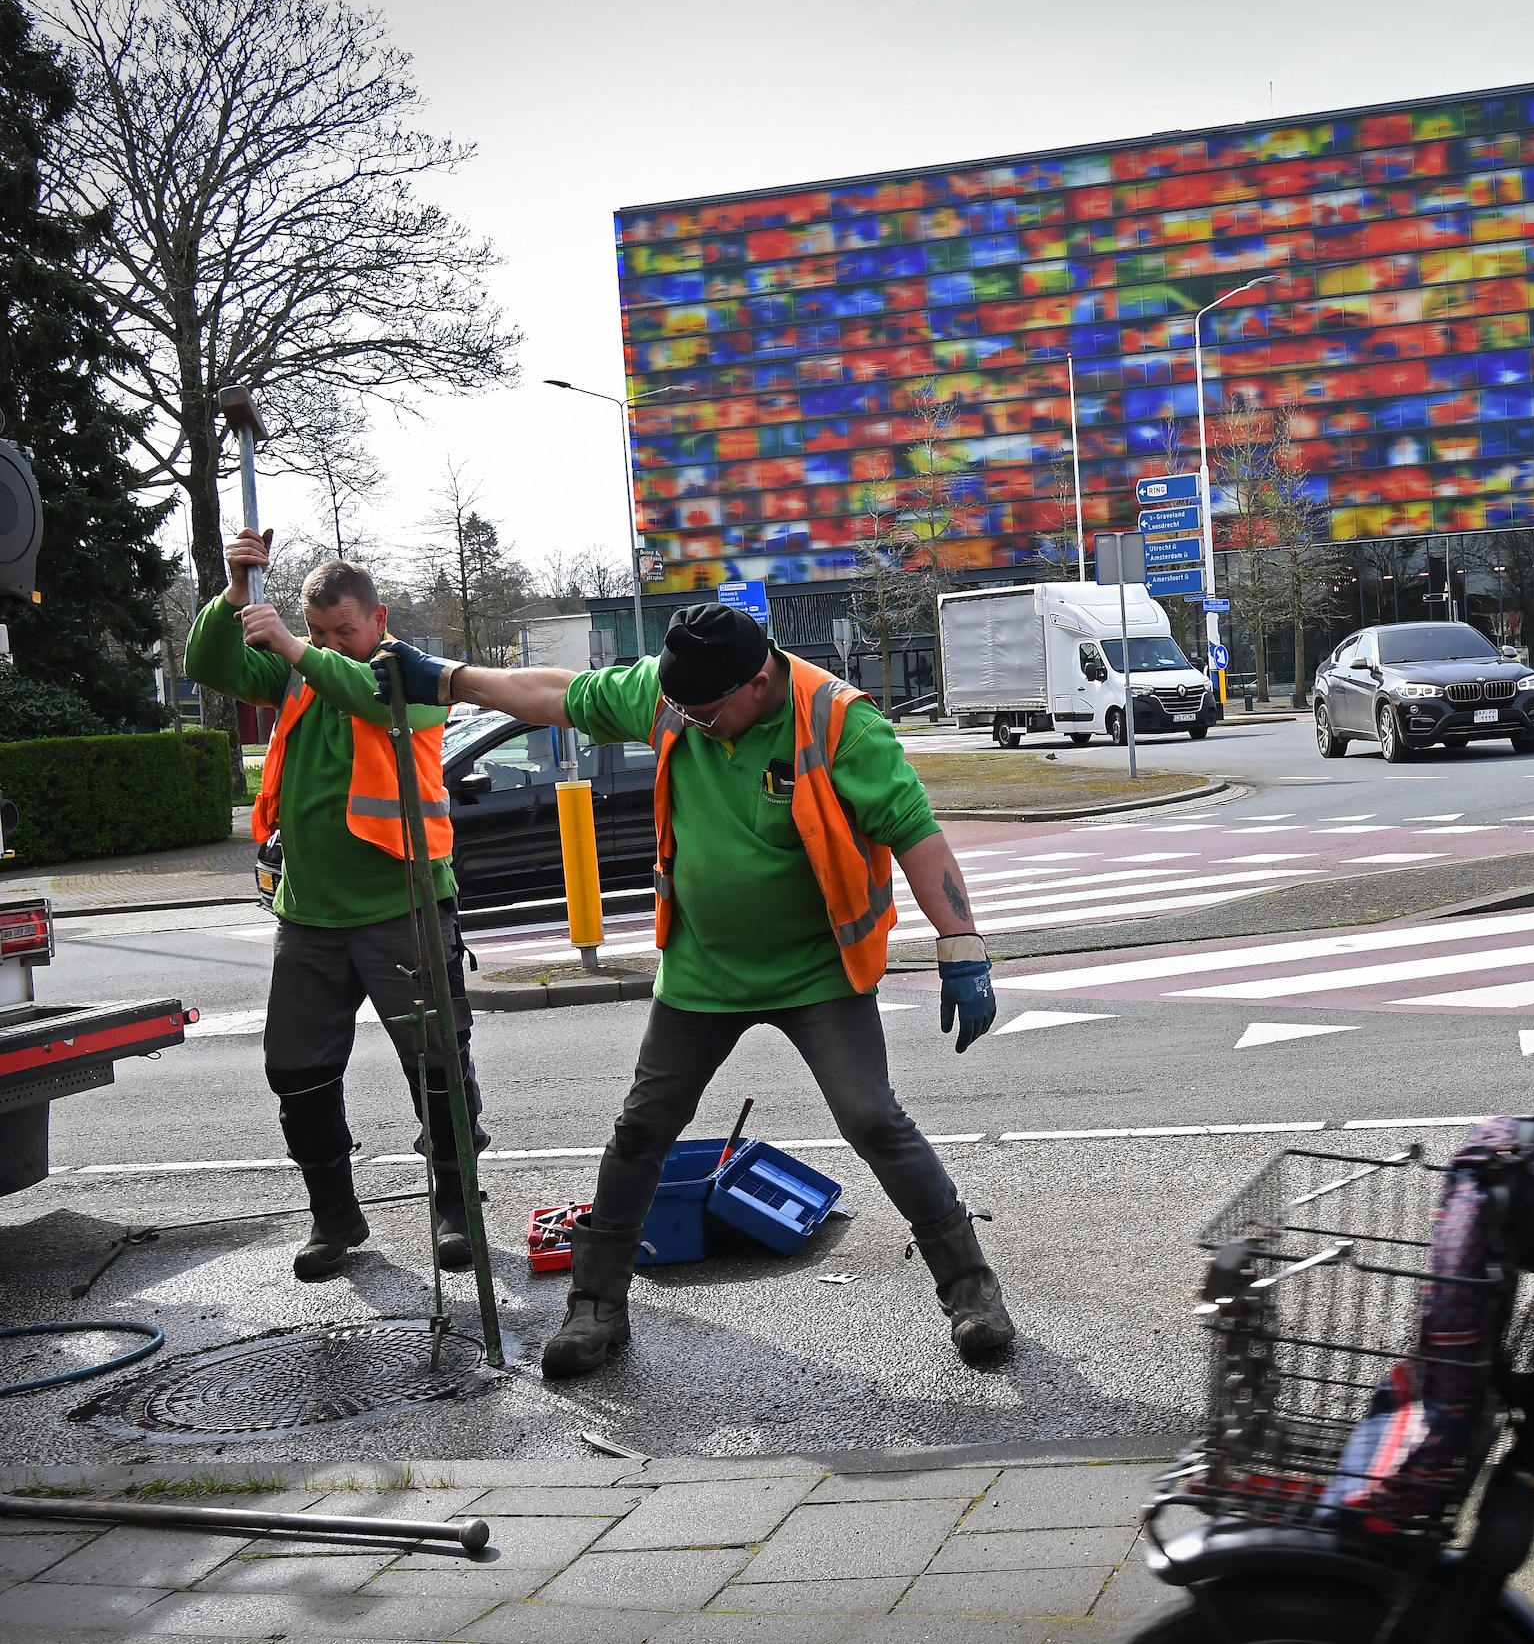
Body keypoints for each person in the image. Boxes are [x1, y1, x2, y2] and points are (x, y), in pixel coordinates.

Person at [376, 604, 1013, 1377]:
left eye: (705, 711)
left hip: (816, 968)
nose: (689, 722)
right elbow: (553, 693)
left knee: (873, 1117)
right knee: (643, 1127)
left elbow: (915, 831)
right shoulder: (676, 696)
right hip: (704, 968)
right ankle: (597, 1308)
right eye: (680, 708)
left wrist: (963, 944)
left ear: (757, 680)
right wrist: (444, 678)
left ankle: (972, 1291)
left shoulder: (838, 722)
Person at [185, 534, 490, 1282]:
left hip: (402, 907)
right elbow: (209, 666)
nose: (328, 645)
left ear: (378, 618)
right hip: (311, 916)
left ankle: (456, 1206)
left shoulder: (408, 676)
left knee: (439, 1066)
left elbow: (365, 695)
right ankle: (335, 1218)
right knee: (297, 1071)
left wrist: (293, 646)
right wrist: (233, 593)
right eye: (318, 632)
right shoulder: (297, 674)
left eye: (342, 630)